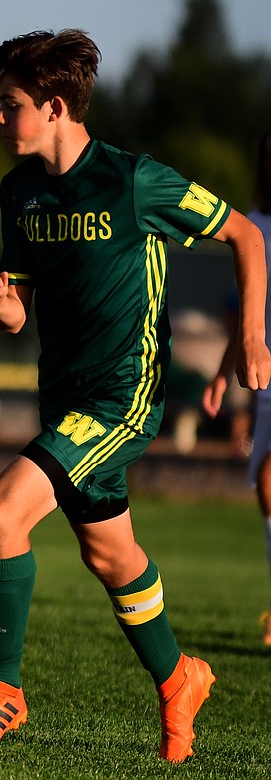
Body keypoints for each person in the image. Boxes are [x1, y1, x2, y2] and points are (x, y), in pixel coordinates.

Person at [0, 30, 271, 763]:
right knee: (111, 554)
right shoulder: (19, 190)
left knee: (2, 513)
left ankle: (5, 691)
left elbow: (247, 237)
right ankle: (179, 677)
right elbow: (21, 313)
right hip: (60, 395)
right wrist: (1, 304)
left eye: (11, 107)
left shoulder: (134, 181)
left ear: (55, 106)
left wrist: (250, 339)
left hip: (124, 397)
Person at [202, 128, 271, 646]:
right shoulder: (256, 225)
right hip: (266, 381)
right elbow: (245, 317)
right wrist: (223, 373)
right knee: (267, 498)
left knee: (270, 479)